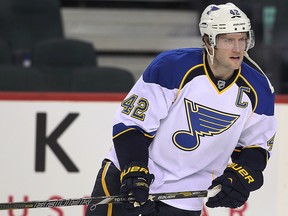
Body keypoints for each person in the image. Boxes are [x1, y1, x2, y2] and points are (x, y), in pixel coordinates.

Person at [85, 2, 277, 216]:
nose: (238, 48)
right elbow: (132, 125)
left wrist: (241, 175)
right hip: (129, 176)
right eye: (229, 40)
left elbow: (256, 147)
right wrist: (135, 170)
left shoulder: (259, 90)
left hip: (185, 194)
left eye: (242, 39)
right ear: (208, 41)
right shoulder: (171, 67)